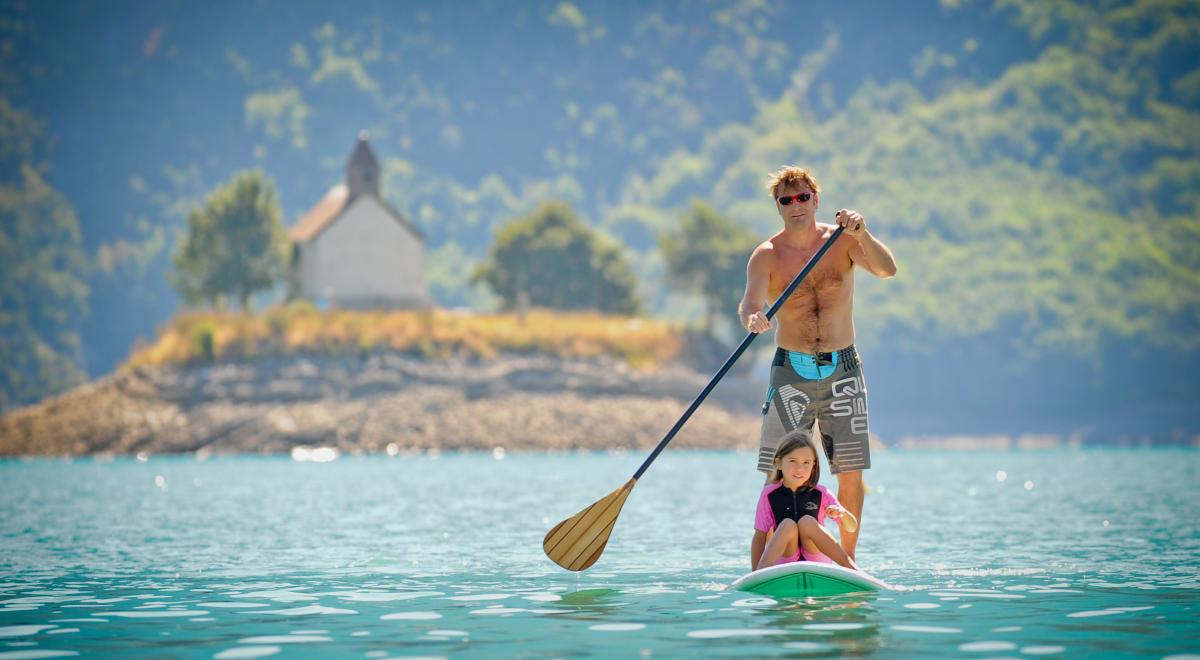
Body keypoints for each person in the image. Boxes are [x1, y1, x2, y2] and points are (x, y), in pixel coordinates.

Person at [738, 165, 897, 560]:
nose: (796, 206)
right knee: (777, 472)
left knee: (851, 472)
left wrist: (863, 234)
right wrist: (752, 318)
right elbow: (750, 302)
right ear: (777, 206)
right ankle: (771, 560)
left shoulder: (841, 241)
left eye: (803, 197)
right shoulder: (767, 255)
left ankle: (847, 560)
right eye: (786, 200)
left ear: (816, 200)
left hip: (843, 368)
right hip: (790, 368)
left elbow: (886, 269)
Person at [751, 430, 859, 571]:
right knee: (787, 525)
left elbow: (851, 527)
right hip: (786, 559)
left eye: (806, 462)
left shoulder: (821, 493)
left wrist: (843, 514)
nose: (800, 469)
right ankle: (761, 572)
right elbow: (759, 537)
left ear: (814, 465)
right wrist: (754, 572)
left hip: (816, 557)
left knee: (807, 522)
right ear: (778, 463)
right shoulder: (769, 495)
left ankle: (851, 568)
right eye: (792, 461)